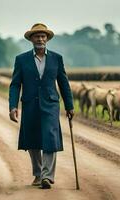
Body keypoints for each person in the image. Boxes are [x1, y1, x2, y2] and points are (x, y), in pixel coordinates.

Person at [8, 23, 74, 189]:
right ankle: (38, 174)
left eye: (43, 36)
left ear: (47, 39)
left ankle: (47, 176)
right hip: (30, 103)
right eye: (37, 36)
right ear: (31, 39)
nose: (40, 39)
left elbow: (63, 83)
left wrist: (69, 105)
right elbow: (15, 84)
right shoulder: (21, 59)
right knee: (32, 139)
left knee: (50, 137)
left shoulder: (56, 58)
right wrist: (13, 106)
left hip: (51, 104)